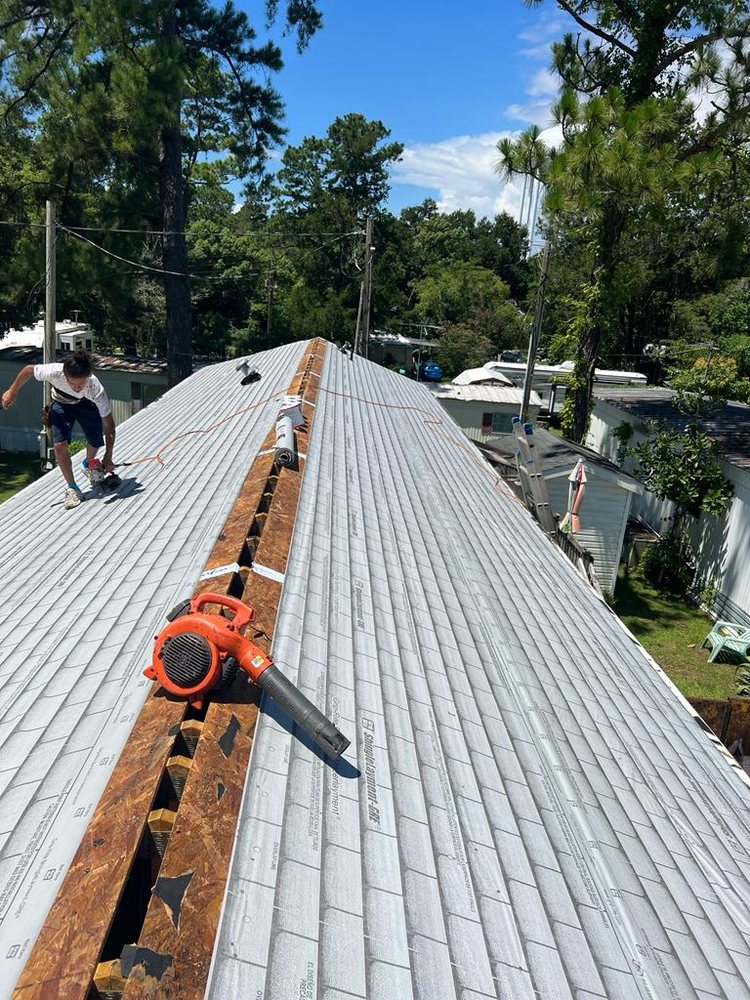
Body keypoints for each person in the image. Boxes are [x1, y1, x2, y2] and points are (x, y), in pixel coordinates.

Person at [2, 347, 116, 509]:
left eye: (80, 384)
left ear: (88, 377)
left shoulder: (95, 388)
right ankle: (72, 488)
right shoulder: (55, 371)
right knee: (59, 445)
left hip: (86, 404)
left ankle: (88, 463)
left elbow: (109, 426)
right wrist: (12, 392)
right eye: (72, 383)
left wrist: (108, 456)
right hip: (61, 403)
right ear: (64, 375)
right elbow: (28, 370)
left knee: (96, 441)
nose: (76, 387)